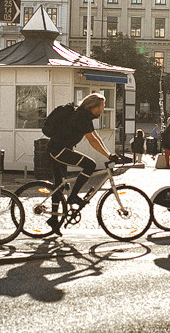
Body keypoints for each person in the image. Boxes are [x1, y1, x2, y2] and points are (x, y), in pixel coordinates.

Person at [45, 93, 119, 236]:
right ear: (94, 107)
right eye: (102, 107)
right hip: (58, 150)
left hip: (58, 148)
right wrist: (108, 155)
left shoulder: (84, 115)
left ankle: (54, 220)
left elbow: (95, 137)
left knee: (59, 184)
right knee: (90, 165)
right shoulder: (82, 117)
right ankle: (73, 197)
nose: (103, 110)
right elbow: (92, 140)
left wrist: (109, 153)